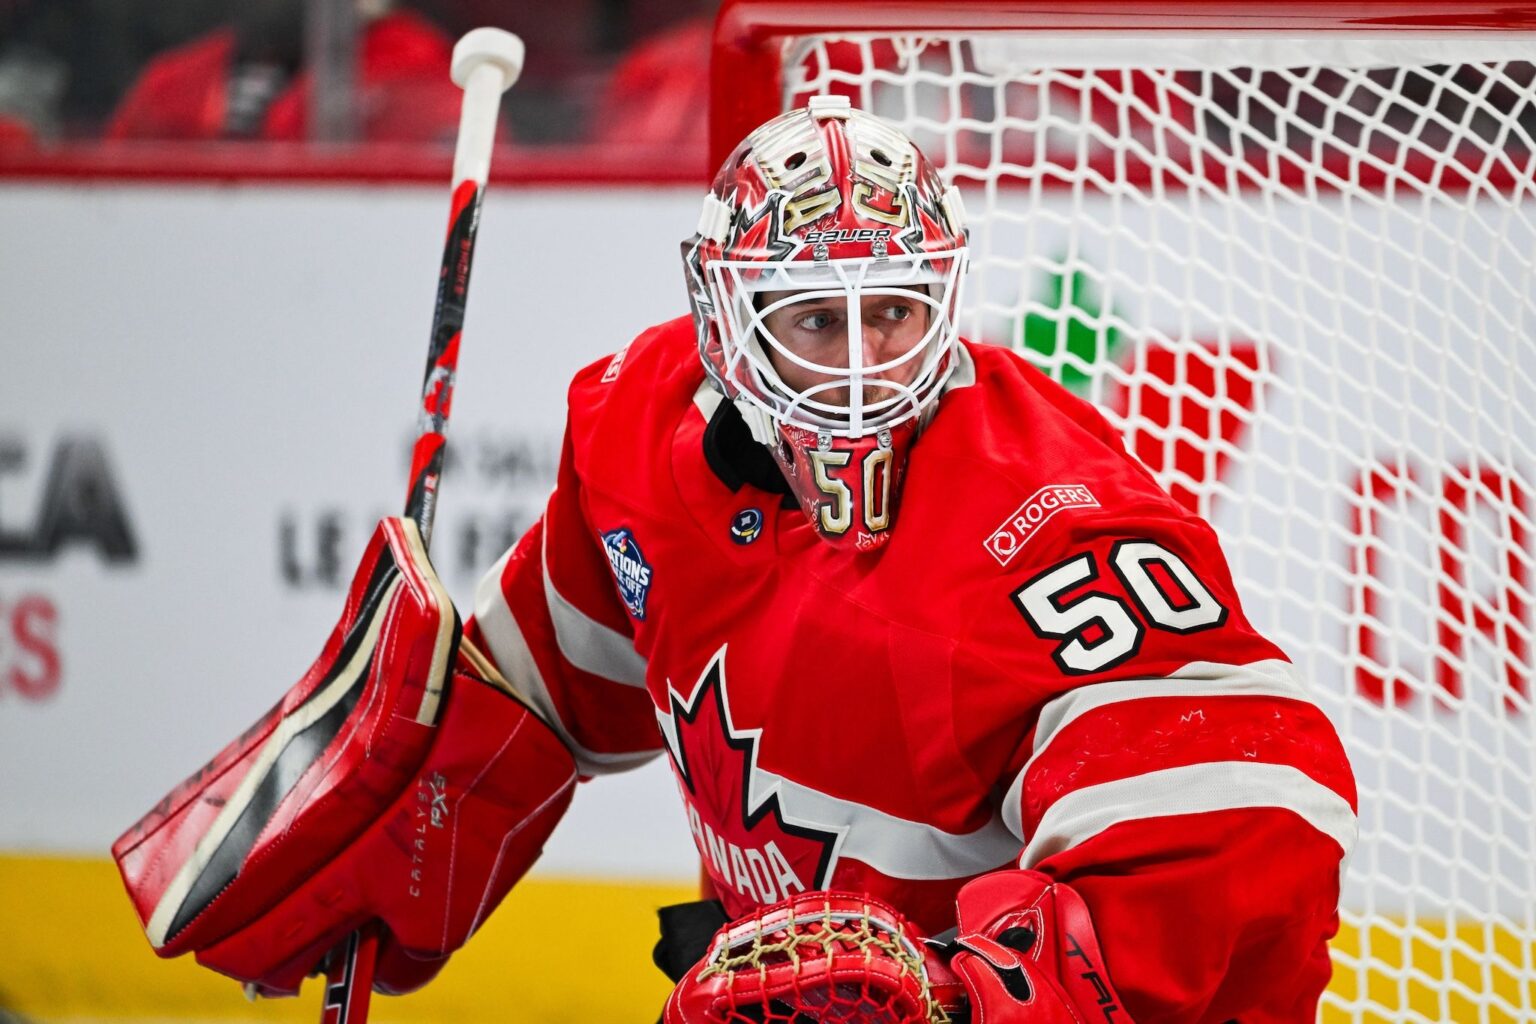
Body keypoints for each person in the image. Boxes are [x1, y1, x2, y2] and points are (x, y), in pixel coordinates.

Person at [115, 97, 1357, 1023]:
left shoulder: (1049, 527)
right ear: (724, 322)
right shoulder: (640, 433)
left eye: (897, 312)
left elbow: (1252, 825)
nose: (864, 363)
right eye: (815, 319)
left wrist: (973, 1001)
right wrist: (419, 765)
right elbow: (561, 669)